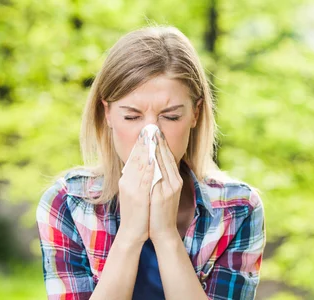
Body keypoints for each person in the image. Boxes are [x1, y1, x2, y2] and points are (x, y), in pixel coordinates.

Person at [36, 25, 266, 300]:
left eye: (170, 117)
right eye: (132, 117)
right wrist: (131, 233)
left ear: (195, 113)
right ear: (107, 113)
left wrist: (166, 235)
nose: (151, 135)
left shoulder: (238, 209)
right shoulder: (67, 204)